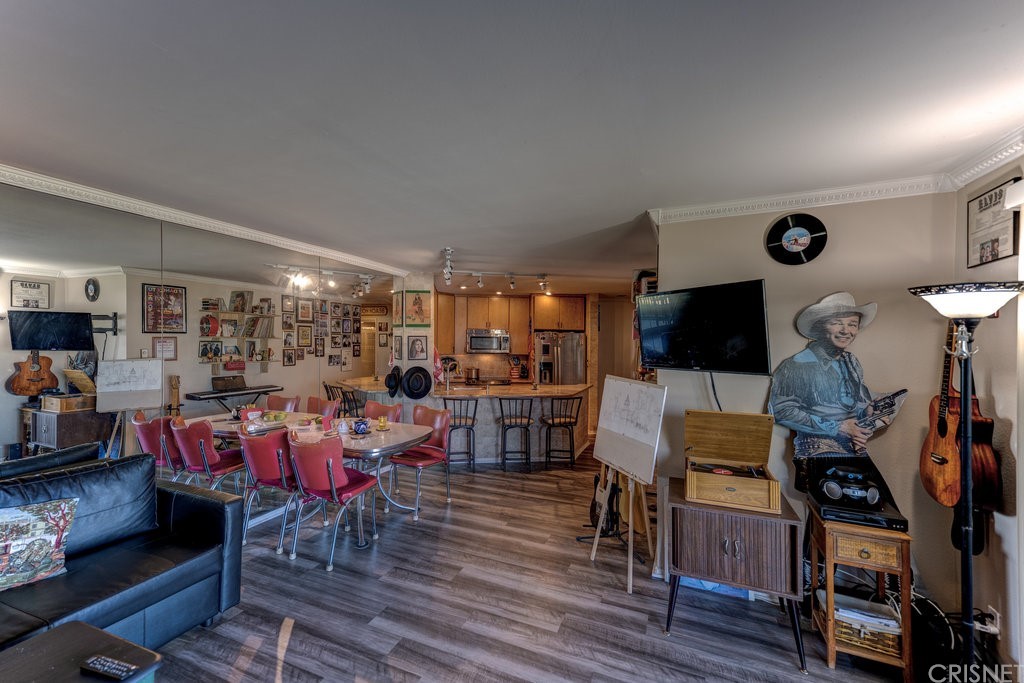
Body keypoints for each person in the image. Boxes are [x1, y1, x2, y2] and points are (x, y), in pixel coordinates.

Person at [768, 292, 901, 493]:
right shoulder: (797, 365)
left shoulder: (851, 361)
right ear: (821, 327)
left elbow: (854, 405)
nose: (846, 330)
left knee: (884, 510)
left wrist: (870, 412)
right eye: (837, 323)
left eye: (852, 324)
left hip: (854, 451)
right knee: (855, 512)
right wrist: (838, 427)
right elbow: (781, 411)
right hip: (817, 452)